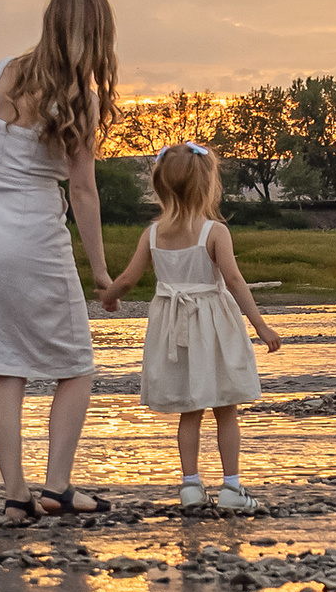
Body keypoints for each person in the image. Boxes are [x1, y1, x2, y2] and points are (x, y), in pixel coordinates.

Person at [0, 0, 119, 519]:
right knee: (76, 366)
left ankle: (16, 495)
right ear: (97, 35)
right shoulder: (79, 99)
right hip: (33, 239)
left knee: (5, 369)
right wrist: (102, 271)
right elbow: (83, 191)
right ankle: (58, 487)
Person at [101, 139, 282, 512]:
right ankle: (231, 486)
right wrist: (260, 326)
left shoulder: (152, 234)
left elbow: (130, 278)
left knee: (190, 407)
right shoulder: (214, 231)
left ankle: (190, 486)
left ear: (161, 185)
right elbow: (233, 280)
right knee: (226, 406)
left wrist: (109, 295)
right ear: (207, 184)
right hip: (213, 324)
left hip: (173, 326)